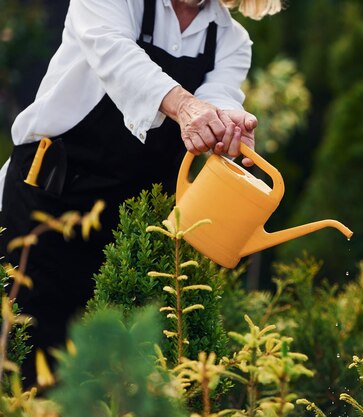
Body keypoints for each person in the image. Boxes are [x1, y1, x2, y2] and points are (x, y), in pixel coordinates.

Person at [0, 0, 281, 385]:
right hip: (48, 201)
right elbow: (115, 53)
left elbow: (220, 97)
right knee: (26, 356)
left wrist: (228, 123)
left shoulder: (231, 40)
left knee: (107, 377)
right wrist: (186, 107)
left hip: (131, 228)